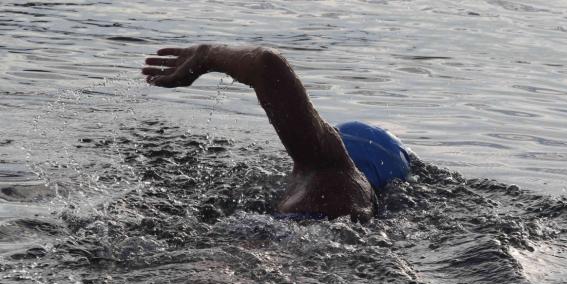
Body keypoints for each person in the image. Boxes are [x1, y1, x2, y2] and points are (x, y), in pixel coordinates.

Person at [142, 44, 412, 222]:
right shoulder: (363, 213)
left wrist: (206, 55)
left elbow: (267, 65)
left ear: (339, 146)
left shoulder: (330, 169)